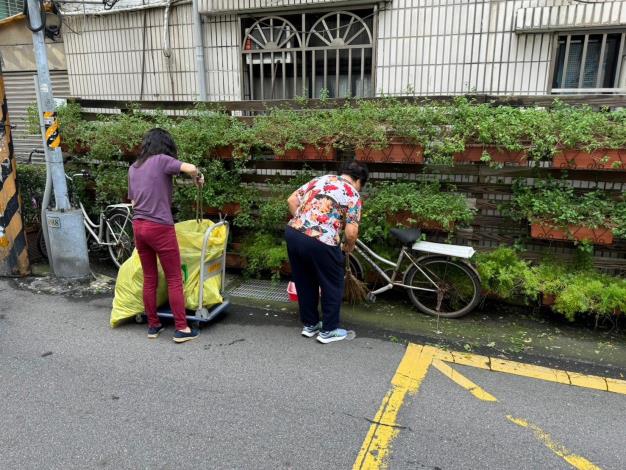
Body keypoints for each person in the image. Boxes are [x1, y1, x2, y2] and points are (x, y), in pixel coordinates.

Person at [128, 128, 204, 343]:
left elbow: (133, 202)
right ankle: (182, 328)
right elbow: (190, 168)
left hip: (139, 227)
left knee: (150, 277)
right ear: (165, 145)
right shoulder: (162, 160)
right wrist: (198, 176)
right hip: (160, 227)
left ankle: (153, 325)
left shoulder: (134, 168)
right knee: (173, 278)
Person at [285, 160, 368, 344]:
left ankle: (310, 325)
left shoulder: (319, 180)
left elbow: (291, 200)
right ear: (358, 181)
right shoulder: (352, 193)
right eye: (361, 186)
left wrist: (304, 223)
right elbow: (351, 231)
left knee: (305, 280)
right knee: (333, 283)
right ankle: (328, 330)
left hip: (293, 233)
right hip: (321, 240)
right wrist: (349, 246)